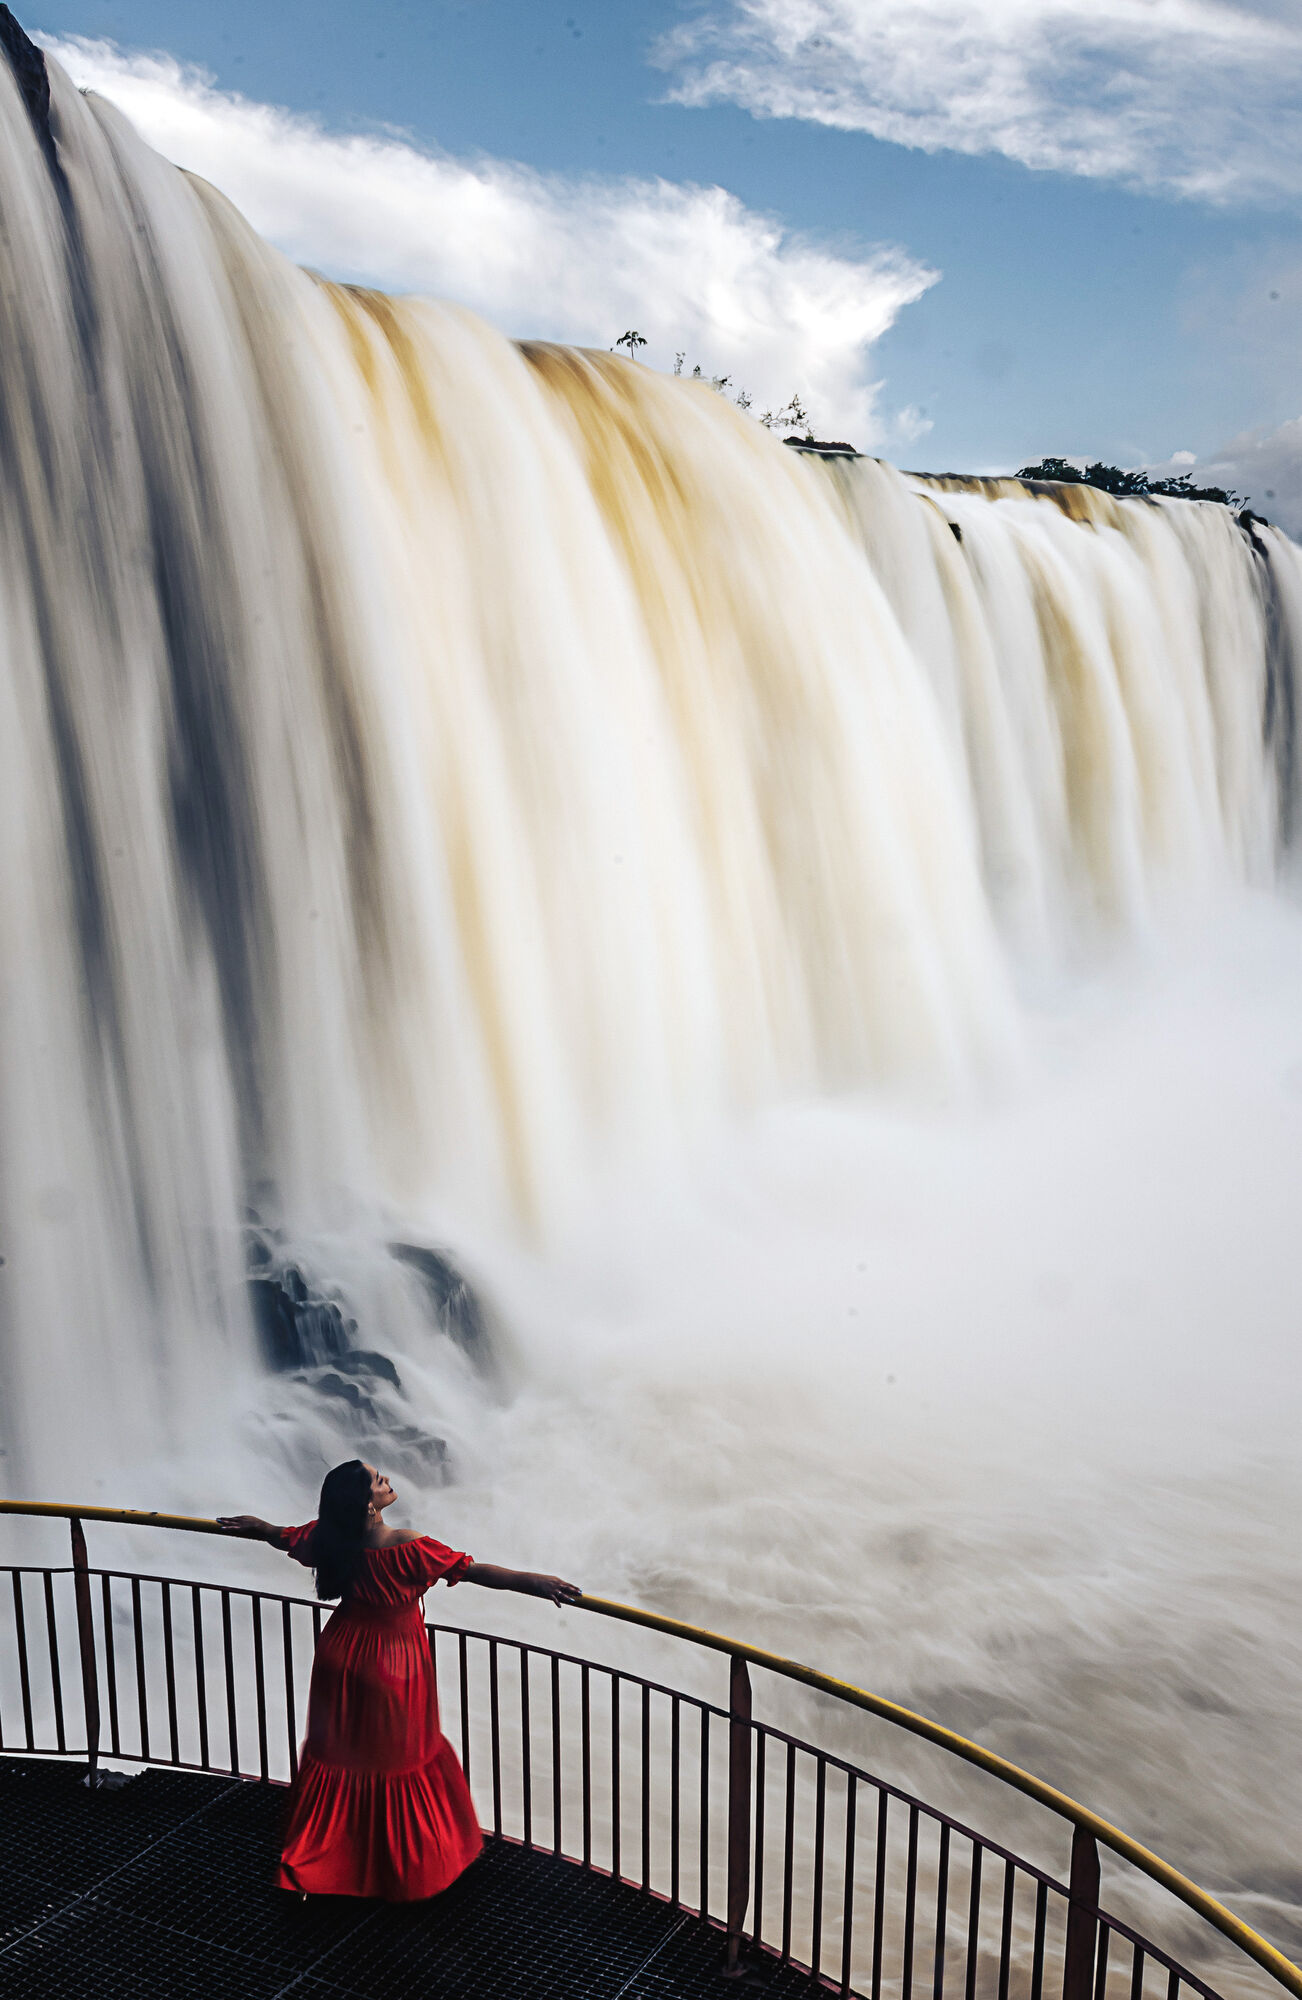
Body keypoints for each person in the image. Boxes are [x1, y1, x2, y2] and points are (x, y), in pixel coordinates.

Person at [218, 1460, 580, 1900]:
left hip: (342, 1653)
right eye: (377, 1480)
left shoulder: (329, 1536)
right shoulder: (408, 1547)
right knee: (397, 1760)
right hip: (393, 1665)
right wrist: (538, 1583)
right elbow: (475, 1572)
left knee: (342, 1756)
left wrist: (256, 1526)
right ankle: (400, 1871)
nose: (387, 1479)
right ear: (366, 1503)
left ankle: (323, 1859)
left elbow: (282, 1537)